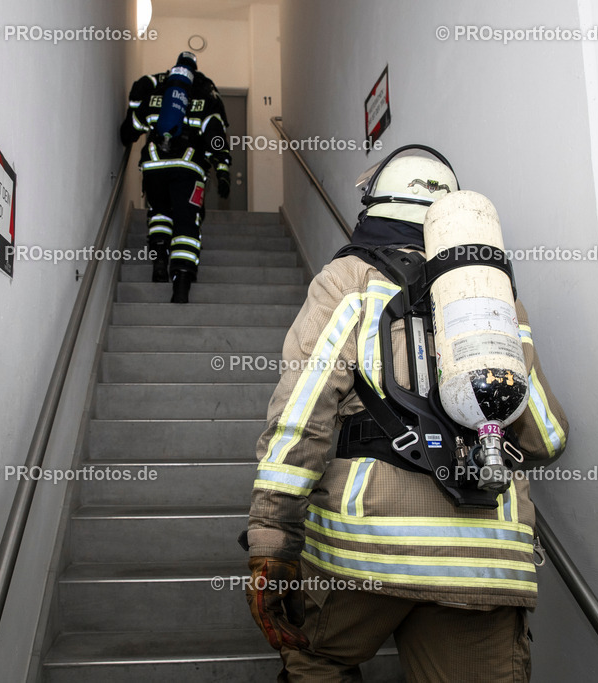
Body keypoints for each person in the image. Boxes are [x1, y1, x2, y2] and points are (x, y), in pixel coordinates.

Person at [243, 145, 569, 682]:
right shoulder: (496, 302)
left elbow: (302, 416)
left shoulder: (348, 279)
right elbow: (545, 438)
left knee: (316, 658)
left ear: (376, 206)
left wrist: (272, 535)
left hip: (366, 550)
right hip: (484, 561)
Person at [119, 51, 231, 303]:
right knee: (186, 222)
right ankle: (181, 283)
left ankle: (159, 261)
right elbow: (215, 136)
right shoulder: (204, 97)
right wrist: (222, 168)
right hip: (189, 169)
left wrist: (134, 110)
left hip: (154, 167)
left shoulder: (156, 96)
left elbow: (128, 133)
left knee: (159, 213)